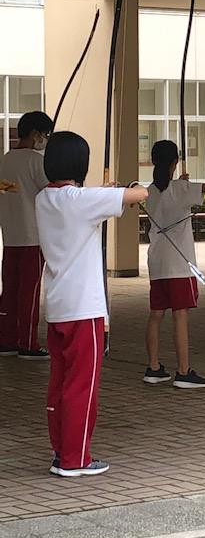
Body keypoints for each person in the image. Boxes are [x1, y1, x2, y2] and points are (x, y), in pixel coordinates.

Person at [36, 131, 148, 477]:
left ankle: (62, 451)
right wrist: (123, 188)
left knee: (60, 383)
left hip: (58, 305)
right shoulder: (81, 200)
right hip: (84, 309)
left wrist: (103, 192)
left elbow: (88, 202)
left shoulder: (44, 198)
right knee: (82, 386)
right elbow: (140, 194)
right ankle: (76, 458)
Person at [143, 140, 205, 388]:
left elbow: (172, 193)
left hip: (156, 263)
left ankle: (153, 368)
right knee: (180, 317)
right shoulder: (181, 188)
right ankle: (183, 371)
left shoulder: (150, 191)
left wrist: (183, 184)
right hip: (179, 265)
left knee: (156, 315)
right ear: (175, 162)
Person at [0, 111, 53, 359]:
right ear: (34, 134)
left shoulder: (5, 160)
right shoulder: (36, 161)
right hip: (33, 237)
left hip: (10, 236)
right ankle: (28, 343)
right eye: (45, 134)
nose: (45, 139)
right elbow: (52, 192)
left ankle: (7, 339)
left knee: (10, 290)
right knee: (29, 293)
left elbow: (11, 191)